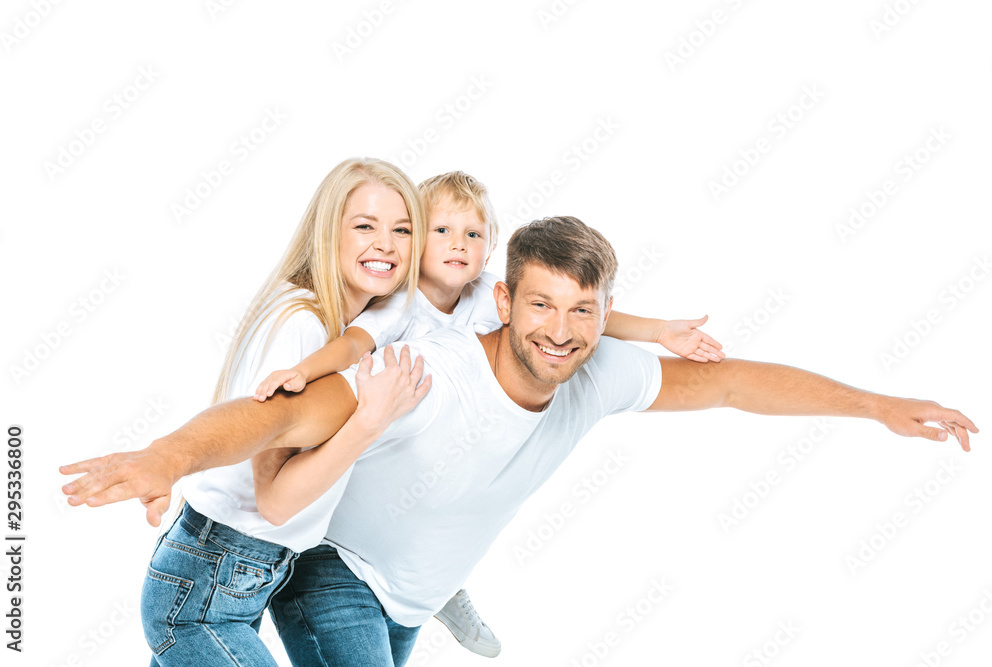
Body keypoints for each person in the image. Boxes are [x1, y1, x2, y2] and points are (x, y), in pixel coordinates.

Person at [61, 217, 977, 667]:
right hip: (337, 572)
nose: (562, 329)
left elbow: (736, 383)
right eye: (542, 303)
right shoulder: (431, 368)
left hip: (409, 602)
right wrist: (169, 456)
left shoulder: (598, 370)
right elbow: (283, 414)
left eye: (585, 310)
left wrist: (878, 404)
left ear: (607, 313)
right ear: (505, 302)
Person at [248, 170, 724, 657]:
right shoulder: (401, 307)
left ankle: (444, 585)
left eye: (472, 235)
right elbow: (351, 345)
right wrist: (303, 371)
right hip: (378, 447)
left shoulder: (488, 294)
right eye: (441, 232)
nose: (458, 246)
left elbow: (582, 305)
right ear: (415, 244)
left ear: (489, 247)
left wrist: (661, 330)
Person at [126, 156, 430, 665]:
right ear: (326, 233)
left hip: (235, 577)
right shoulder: (302, 326)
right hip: (205, 590)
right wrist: (370, 420)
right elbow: (276, 501)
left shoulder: (352, 323)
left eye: (402, 229)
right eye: (364, 226)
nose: (387, 244)